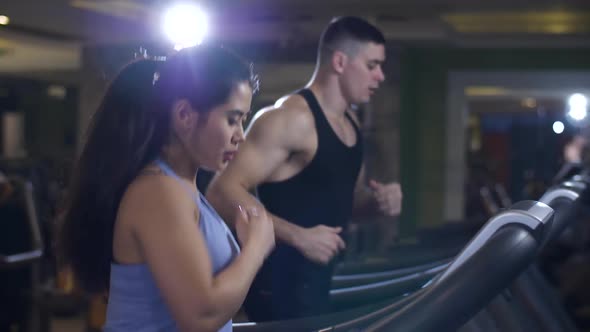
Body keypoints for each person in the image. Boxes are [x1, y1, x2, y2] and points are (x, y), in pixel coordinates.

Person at [57, 45, 275, 332]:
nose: (240, 136)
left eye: (243, 120)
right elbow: (201, 315)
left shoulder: (181, 188)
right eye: (232, 119)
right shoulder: (157, 191)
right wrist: (255, 250)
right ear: (185, 114)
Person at [207, 16, 403, 321]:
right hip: (278, 289)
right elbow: (221, 192)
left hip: (320, 286)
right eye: (372, 65)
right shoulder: (290, 119)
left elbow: (343, 205)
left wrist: (377, 204)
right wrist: (299, 236)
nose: (380, 76)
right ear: (340, 61)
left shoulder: (351, 124)